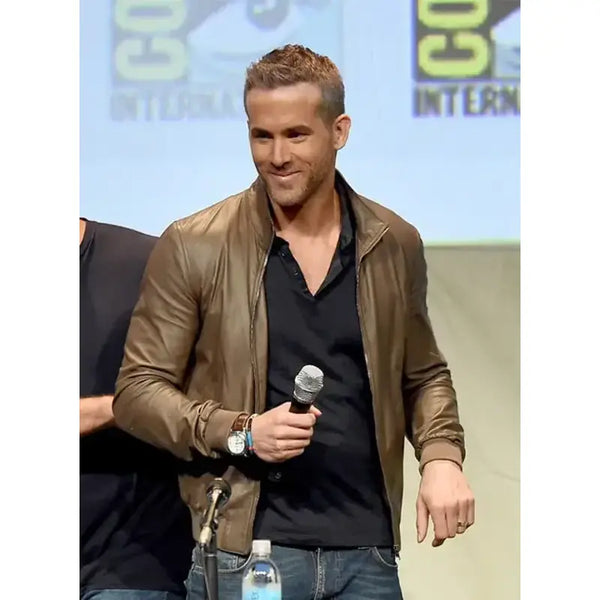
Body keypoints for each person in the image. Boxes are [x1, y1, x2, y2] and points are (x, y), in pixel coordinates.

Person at [113, 45, 475, 600]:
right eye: (262, 136)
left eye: (297, 135)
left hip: (368, 556)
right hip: (249, 556)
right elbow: (137, 393)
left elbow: (422, 374)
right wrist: (242, 431)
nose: (277, 156)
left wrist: (442, 456)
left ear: (339, 131)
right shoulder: (194, 245)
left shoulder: (392, 242)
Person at [80, 218, 194, 600]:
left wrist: (145, 400)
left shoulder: (150, 261)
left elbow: (209, 379)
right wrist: (130, 402)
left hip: (134, 563)